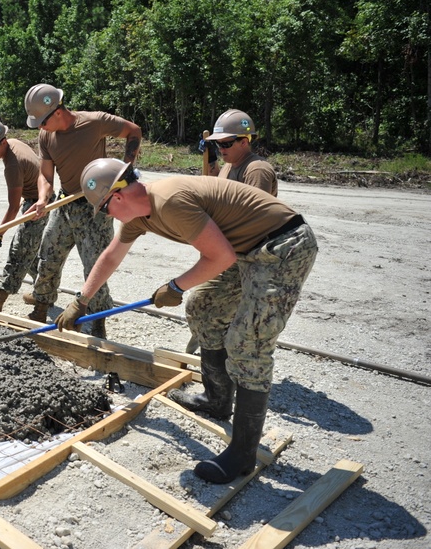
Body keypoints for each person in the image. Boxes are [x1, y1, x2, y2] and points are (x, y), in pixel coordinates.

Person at [58, 158, 317, 483]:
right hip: (246, 250)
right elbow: (111, 255)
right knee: (204, 306)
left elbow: (219, 257)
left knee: (248, 343)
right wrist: (80, 301)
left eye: (105, 209)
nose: (107, 216)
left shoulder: (170, 201)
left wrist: (175, 286)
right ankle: (217, 399)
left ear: (118, 197)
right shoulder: (140, 216)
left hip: (283, 246)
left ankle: (242, 456)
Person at [22, 83, 142, 336]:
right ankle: (41, 307)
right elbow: (45, 174)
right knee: (48, 258)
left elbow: (134, 131)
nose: (40, 128)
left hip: (96, 208)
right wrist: (44, 198)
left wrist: (126, 166)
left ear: (57, 112)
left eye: (42, 121)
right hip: (65, 205)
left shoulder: (94, 123)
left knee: (95, 267)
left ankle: (98, 323)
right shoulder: (46, 136)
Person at [184, 109, 278, 352]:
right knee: (204, 304)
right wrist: (212, 161)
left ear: (245, 141)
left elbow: (255, 216)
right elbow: (216, 187)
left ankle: (217, 351)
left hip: (248, 254)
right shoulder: (229, 165)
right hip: (228, 249)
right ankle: (212, 341)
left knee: (206, 304)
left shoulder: (256, 169)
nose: (222, 148)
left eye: (226, 143)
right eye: (218, 144)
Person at [0, 118, 49, 311]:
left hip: (38, 204)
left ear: (3, 142)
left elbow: (12, 208)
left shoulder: (13, 166)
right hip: (37, 198)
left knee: (19, 250)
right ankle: (43, 291)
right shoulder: (13, 143)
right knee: (30, 251)